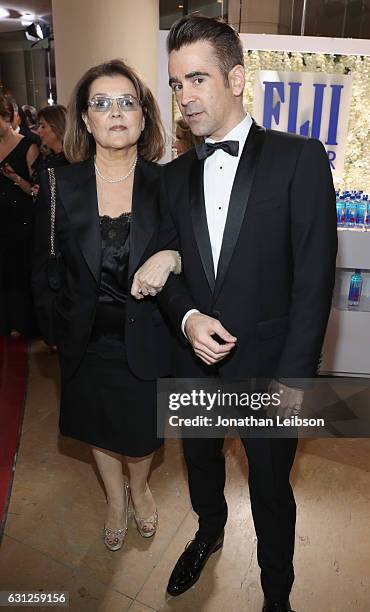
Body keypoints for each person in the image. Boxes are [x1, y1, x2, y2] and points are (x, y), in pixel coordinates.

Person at [143, 15, 337, 612]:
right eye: (176, 84)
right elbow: (167, 270)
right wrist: (185, 319)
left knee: (272, 491)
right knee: (199, 462)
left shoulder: (299, 159)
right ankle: (207, 534)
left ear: (236, 78)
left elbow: (313, 282)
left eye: (197, 79)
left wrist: (293, 381)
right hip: (194, 364)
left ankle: (276, 592)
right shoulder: (172, 177)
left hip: (271, 369)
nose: (186, 96)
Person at [32, 59, 180, 551]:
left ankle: (140, 489)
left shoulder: (169, 185)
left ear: (143, 116)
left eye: (126, 102)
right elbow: (42, 266)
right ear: (87, 119)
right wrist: (54, 330)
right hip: (85, 338)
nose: (115, 112)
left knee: (140, 434)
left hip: (147, 336)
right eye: (102, 103)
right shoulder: (58, 185)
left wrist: (172, 255)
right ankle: (115, 499)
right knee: (98, 426)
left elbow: (195, 257)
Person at [0, 94, 39, 337]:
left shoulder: (29, 144)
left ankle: (22, 323)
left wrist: (13, 177)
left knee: (19, 272)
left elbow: (33, 190)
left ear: (7, 117)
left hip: (21, 218)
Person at [31, 105, 69, 191]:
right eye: (39, 126)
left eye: (43, 126)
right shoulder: (46, 157)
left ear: (58, 127)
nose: (38, 130)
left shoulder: (71, 161)